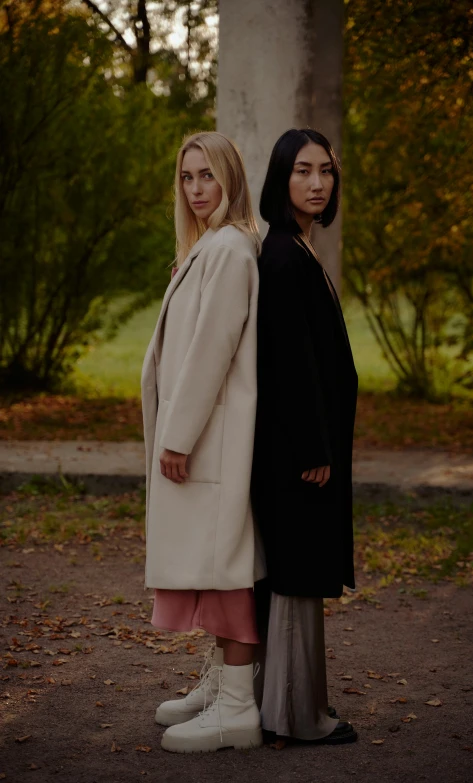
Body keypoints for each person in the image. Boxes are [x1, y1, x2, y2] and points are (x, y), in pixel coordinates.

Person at [141, 131, 266, 754]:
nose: (196, 189)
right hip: (203, 438)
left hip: (213, 439)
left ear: (231, 180)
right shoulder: (208, 247)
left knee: (227, 571)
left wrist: (178, 436)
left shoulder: (231, 251)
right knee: (212, 568)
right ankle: (222, 685)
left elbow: (211, 352)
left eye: (208, 176)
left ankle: (238, 707)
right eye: (187, 177)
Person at [251, 128, 359, 745]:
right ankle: (294, 718)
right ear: (280, 179)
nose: (317, 183)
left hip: (302, 449)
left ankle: (291, 709)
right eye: (302, 171)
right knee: (295, 573)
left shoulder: (296, 248)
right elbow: (288, 362)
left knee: (300, 572)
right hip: (298, 454)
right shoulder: (284, 255)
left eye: (326, 171)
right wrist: (313, 448)